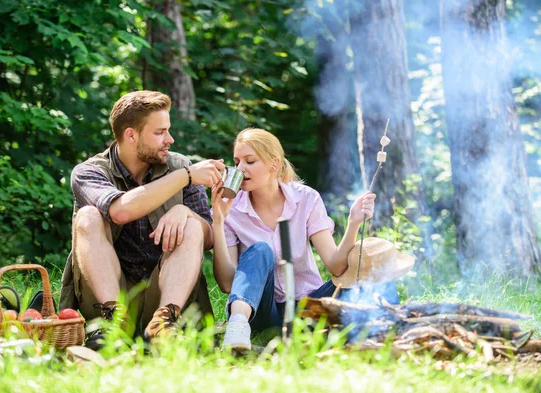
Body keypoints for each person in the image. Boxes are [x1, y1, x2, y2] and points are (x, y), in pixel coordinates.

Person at [59, 90, 225, 344]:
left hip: (165, 293)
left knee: (192, 225)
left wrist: (185, 212)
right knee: (88, 217)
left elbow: (209, 237)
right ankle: (113, 325)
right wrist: (186, 177)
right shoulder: (88, 172)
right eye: (159, 132)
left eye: (167, 130)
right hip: (104, 297)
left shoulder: (180, 165)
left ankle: (163, 327)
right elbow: (120, 210)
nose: (169, 139)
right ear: (131, 135)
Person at [211, 128, 399, 351]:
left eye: (250, 161)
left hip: (306, 307)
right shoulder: (231, 209)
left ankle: (389, 325)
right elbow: (225, 283)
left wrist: (353, 223)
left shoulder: (306, 199)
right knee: (260, 250)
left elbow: (336, 266)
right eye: (237, 161)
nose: (240, 168)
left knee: (371, 279)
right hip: (260, 311)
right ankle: (237, 326)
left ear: (274, 164)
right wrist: (219, 221)